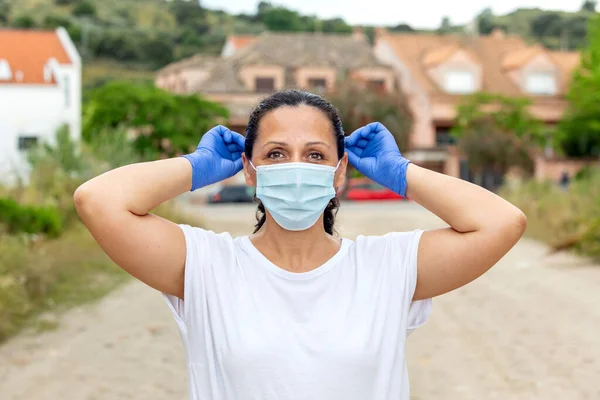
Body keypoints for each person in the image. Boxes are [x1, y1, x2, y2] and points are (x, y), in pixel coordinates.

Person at [74, 90, 527, 400]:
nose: (296, 167)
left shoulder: (387, 267)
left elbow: (501, 222)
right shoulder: (207, 266)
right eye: (275, 153)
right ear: (249, 171)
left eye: (315, 155)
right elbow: (99, 200)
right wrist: (198, 166)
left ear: (340, 169)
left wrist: (399, 172)